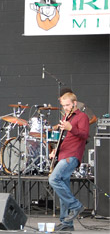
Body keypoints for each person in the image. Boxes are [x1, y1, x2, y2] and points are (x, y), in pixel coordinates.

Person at [48, 92, 89, 231]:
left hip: (72, 155)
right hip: (63, 154)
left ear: (74, 103)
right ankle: (67, 223)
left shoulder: (82, 116)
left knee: (53, 179)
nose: (65, 108)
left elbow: (84, 135)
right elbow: (63, 139)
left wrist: (71, 128)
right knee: (63, 187)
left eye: (68, 105)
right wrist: (56, 151)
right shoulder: (66, 117)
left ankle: (76, 206)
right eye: (63, 105)